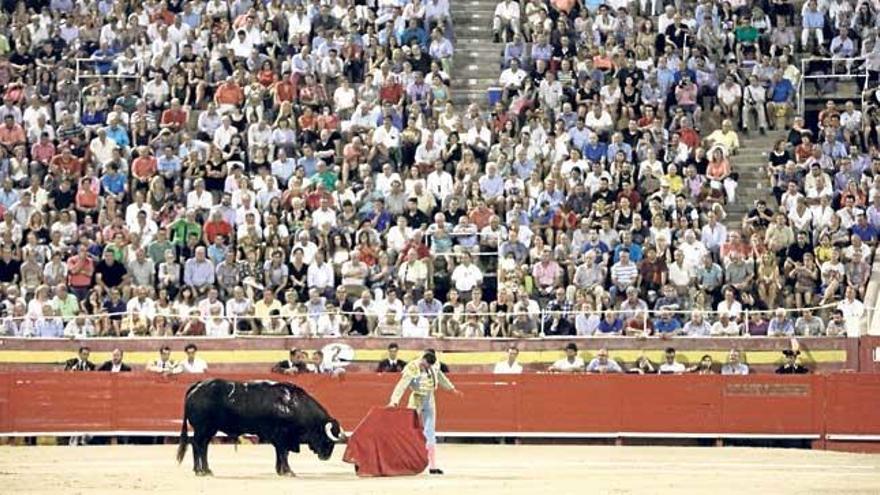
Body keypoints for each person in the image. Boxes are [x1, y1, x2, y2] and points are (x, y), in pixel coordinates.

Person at [388, 351, 463, 475]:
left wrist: (451, 389)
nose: (427, 368)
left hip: (429, 398)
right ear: (423, 360)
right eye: (426, 365)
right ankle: (403, 460)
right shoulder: (412, 367)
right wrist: (394, 401)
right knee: (408, 430)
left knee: (430, 431)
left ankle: (432, 466)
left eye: (429, 366)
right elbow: (402, 385)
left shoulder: (434, 365)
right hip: (416, 399)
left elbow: (440, 376)